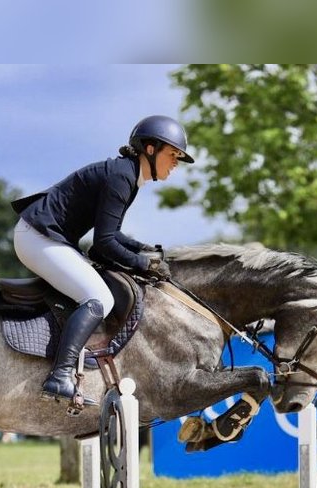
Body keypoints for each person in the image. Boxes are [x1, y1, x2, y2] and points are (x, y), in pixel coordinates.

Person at [11, 115, 194, 407]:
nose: (175, 163)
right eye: (172, 155)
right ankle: (60, 375)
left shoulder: (128, 177)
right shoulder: (121, 177)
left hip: (43, 237)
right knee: (99, 299)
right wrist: (143, 264)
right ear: (150, 149)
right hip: (38, 237)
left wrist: (143, 249)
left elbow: (112, 235)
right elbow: (104, 244)